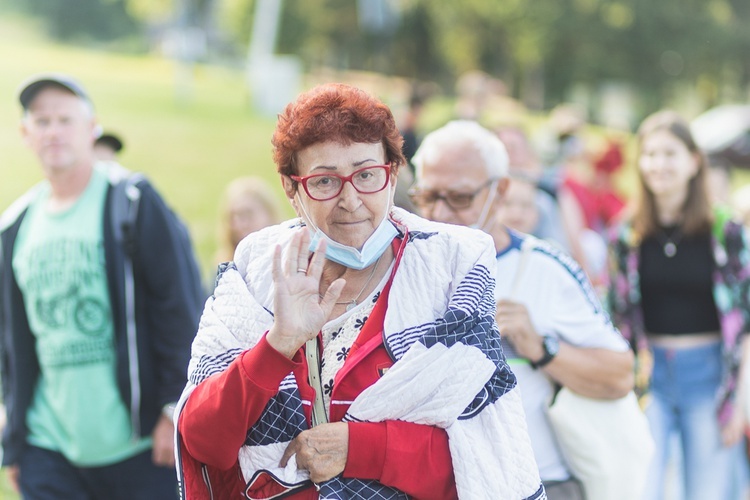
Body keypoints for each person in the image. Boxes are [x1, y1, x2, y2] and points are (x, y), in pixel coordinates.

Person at [176, 83, 544, 500]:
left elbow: (486, 458)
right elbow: (204, 443)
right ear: (291, 189)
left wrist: (359, 449)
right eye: (325, 181)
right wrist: (278, 344)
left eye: (366, 175)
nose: (350, 200)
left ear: (392, 174)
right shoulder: (258, 270)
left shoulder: (448, 269)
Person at [0, 73, 204, 499]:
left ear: (91, 129)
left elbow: (178, 307)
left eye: (64, 120)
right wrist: (15, 441)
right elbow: (10, 344)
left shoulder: (131, 201)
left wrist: (173, 408)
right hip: (48, 446)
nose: (52, 131)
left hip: (139, 444)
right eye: (41, 121)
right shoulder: (15, 226)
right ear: (25, 134)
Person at [409, 120, 634, 499]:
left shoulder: (546, 267)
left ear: (500, 192)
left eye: (460, 198)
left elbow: (620, 375)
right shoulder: (401, 265)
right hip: (435, 483)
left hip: (539, 480)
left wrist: (541, 348)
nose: (440, 212)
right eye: (428, 197)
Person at [606, 110, 750, 500]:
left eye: (670, 154)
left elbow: (746, 318)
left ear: (693, 161)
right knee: (641, 488)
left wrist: (741, 402)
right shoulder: (626, 233)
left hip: (710, 378)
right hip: (649, 378)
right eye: (649, 154)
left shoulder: (727, 230)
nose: (658, 164)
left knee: (707, 492)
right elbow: (618, 316)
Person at [215, 176, 284, 265]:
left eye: (247, 214)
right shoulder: (224, 264)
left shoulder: (289, 257)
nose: (238, 225)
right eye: (232, 217)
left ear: (269, 213)